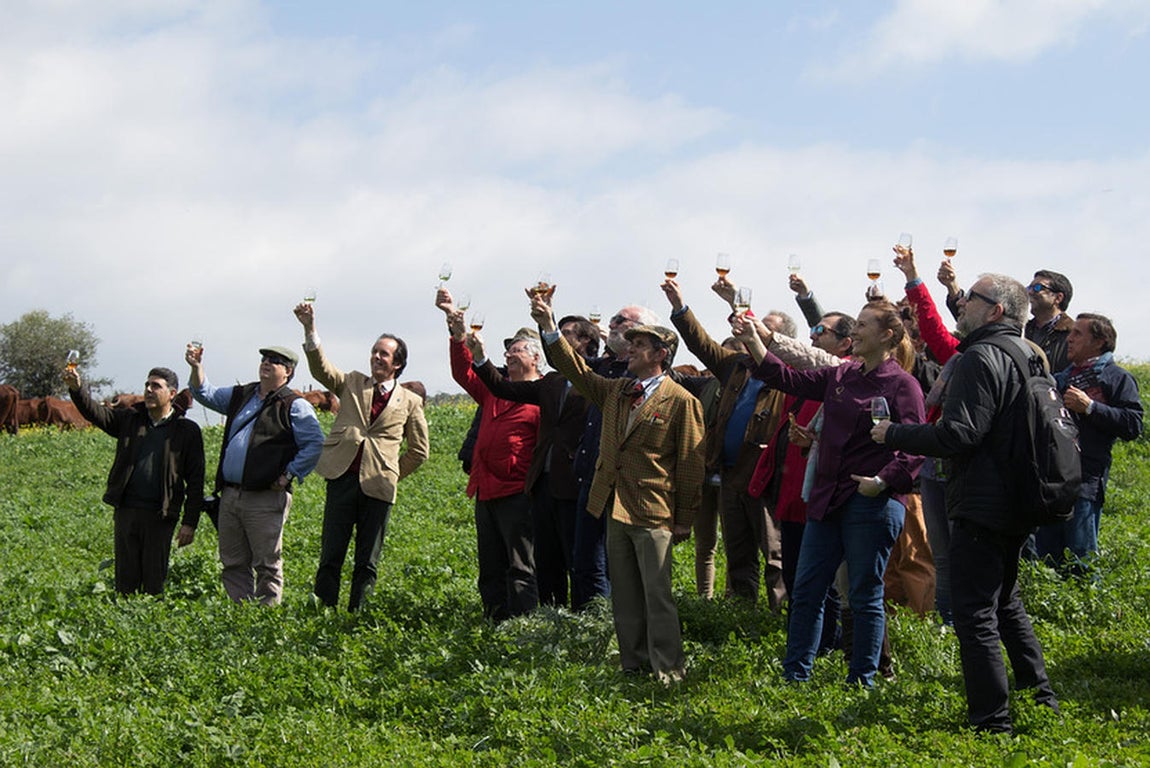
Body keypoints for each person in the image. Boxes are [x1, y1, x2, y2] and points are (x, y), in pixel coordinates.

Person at [873, 273, 1060, 733]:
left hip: (983, 498)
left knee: (975, 613)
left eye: (970, 299)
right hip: (1020, 495)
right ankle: (1042, 697)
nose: (961, 305)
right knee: (1006, 602)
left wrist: (892, 433)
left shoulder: (980, 357)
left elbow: (960, 434)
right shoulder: (1026, 353)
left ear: (995, 310)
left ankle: (992, 723)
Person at [733, 300, 924, 687]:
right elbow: (787, 378)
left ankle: (862, 680)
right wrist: (754, 340)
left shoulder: (902, 384)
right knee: (806, 590)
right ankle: (795, 675)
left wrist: (883, 481)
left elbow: (914, 446)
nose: (855, 331)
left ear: (886, 335)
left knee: (864, 593)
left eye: (864, 325)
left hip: (870, 502)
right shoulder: (842, 376)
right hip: (826, 499)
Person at [532, 290, 704, 681]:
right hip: (614, 507)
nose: (630, 350)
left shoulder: (681, 401)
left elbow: (691, 465)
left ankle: (668, 669)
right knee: (625, 593)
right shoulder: (616, 391)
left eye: (640, 345)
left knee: (656, 595)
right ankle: (634, 664)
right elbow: (575, 369)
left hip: (655, 511)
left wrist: (684, 520)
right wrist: (547, 326)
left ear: (661, 353)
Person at [294, 302, 430, 610]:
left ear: (397, 363)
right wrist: (309, 329)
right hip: (342, 478)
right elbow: (321, 369)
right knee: (330, 555)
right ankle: (323, 612)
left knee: (367, 560)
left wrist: (391, 472)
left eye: (383, 353)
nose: (376, 357)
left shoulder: (409, 401)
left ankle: (359, 616)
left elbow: (419, 452)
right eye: (374, 352)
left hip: (379, 487)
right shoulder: (352, 382)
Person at [662, 277, 788, 607]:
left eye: (761, 327)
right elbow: (700, 343)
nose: (750, 329)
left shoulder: (788, 374)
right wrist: (679, 307)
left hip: (763, 477)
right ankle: (741, 615)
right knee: (738, 553)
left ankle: (779, 618)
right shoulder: (736, 366)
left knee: (774, 556)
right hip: (730, 475)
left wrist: (737, 302)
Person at [467, 305, 597, 609]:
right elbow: (501, 387)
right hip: (544, 485)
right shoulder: (550, 383)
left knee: (577, 560)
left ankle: (580, 622)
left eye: (566, 336)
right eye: (558, 335)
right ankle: (549, 619)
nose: (559, 342)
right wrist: (480, 357)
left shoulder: (598, 381)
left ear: (587, 345)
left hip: (575, 485)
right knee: (547, 562)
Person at [187, 344, 324, 605]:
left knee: (266, 563)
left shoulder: (294, 405)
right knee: (233, 561)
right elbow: (205, 393)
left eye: (275, 360)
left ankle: (266, 617)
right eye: (264, 358)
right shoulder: (242, 394)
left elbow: (315, 443)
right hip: (230, 494)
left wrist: (289, 475)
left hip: (266, 497)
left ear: (288, 371)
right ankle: (242, 614)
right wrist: (196, 367)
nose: (266, 363)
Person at [438, 290, 542, 622]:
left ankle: (523, 625)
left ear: (536, 358)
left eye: (518, 349)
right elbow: (463, 373)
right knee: (490, 564)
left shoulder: (543, 393)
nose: (510, 354)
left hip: (518, 492)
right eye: (508, 349)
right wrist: (458, 336)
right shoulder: (495, 388)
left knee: (520, 563)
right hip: (485, 489)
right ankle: (494, 621)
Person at [65, 366, 204, 596]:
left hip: (161, 514)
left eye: (156, 386)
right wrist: (77, 390)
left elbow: (196, 480)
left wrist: (190, 522)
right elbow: (96, 414)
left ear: (172, 393)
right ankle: (124, 622)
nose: (149, 390)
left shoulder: (186, 430)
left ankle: (148, 624)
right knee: (125, 580)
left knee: (153, 581)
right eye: (147, 385)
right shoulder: (130, 419)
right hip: (127, 510)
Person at [1035, 313, 1143, 571]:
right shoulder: (1060, 379)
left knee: (1081, 563)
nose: (1069, 339)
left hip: (1086, 482)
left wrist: (1091, 407)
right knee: (1046, 562)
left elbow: (1133, 425)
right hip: (1052, 480)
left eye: (1077, 334)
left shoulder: (1117, 378)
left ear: (1100, 341)